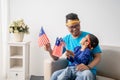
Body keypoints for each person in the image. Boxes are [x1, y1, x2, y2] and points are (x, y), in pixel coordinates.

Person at [44, 13, 102, 80]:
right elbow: (55, 57)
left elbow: (98, 57)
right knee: (55, 75)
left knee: (86, 74)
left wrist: (88, 67)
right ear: (67, 27)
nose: (74, 29)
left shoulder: (89, 37)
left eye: (77, 26)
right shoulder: (65, 39)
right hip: (72, 69)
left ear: (79, 24)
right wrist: (49, 49)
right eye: (71, 27)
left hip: (86, 70)